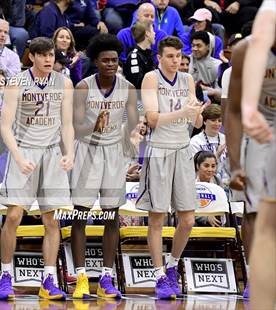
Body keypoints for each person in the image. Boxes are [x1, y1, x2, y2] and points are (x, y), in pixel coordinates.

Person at [0, 37, 74, 300]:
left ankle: (48, 280)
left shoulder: (64, 82)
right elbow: (4, 126)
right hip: (24, 150)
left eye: (51, 54)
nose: (48, 59)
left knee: (52, 220)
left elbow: (67, 124)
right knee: (14, 216)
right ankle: (5, 275)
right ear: (32, 57)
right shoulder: (16, 82)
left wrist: (70, 152)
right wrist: (17, 157)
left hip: (52, 153)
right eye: (42, 55)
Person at [70, 33, 138, 299]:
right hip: (87, 150)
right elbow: (75, 128)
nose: (111, 64)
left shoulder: (129, 88)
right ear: (96, 61)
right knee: (80, 216)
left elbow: (133, 124)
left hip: (113, 153)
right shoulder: (83, 88)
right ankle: (81, 277)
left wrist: (131, 144)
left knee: (112, 216)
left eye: (114, 60)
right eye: (106, 60)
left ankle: (107, 278)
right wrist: (93, 124)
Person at [138, 36, 204, 299]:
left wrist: (196, 112)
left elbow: (197, 122)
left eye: (179, 56)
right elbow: (152, 119)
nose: (176, 61)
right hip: (159, 150)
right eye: (170, 56)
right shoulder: (151, 79)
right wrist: (184, 113)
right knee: (157, 217)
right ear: (159, 57)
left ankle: (172, 265)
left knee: (187, 219)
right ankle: (158, 276)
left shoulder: (187, 79)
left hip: (183, 148)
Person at [227, 0, 276, 306]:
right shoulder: (247, 50)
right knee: (256, 211)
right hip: (261, 132)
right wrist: (234, 164)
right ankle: (255, 276)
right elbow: (232, 110)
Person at [190, 104, 227, 183]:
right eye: (213, 120)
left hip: (225, 182)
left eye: (219, 120)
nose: (217, 124)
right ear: (205, 121)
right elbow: (196, 168)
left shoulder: (226, 139)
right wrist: (216, 155)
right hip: (204, 184)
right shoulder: (195, 142)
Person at [189, 31, 222, 103]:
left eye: (198, 45)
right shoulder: (185, 62)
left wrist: (213, 92)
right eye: (193, 45)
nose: (195, 48)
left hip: (211, 105)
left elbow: (222, 95)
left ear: (207, 46)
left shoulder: (217, 65)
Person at [193, 151, 224, 227]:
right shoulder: (190, 182)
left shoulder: (218, 181)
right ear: (198, 166)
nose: (210, 169)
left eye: (213, 166)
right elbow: (184, 210)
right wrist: (205, 217)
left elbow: (222, 206)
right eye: (206, 166)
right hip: (194, 219)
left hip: (214, 217)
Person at [123, 20, 156, 90]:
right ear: (147, 33)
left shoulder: (148, 54)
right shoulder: (134, 56)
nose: (154, 33)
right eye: (153, 31)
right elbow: (137, 84)